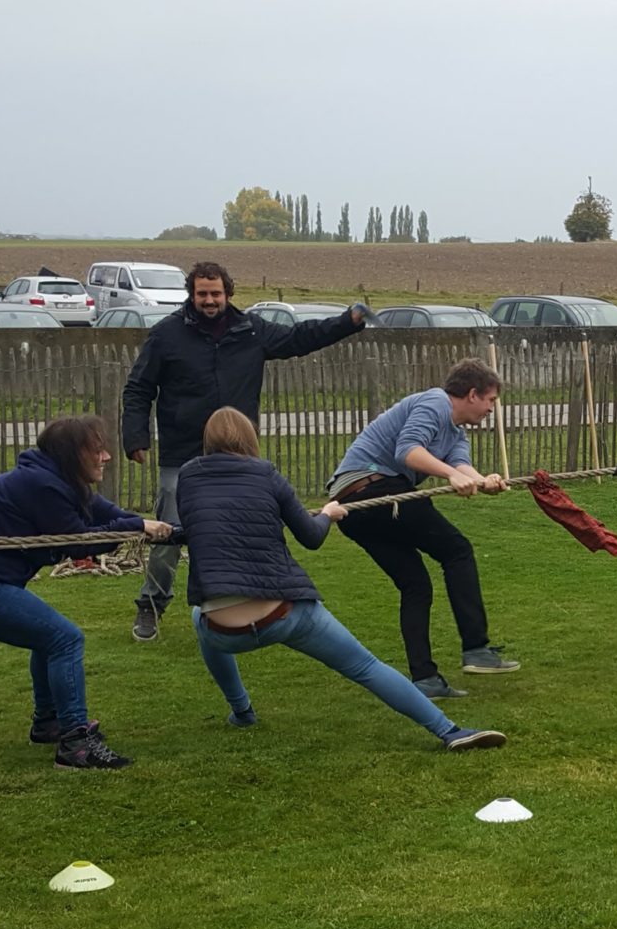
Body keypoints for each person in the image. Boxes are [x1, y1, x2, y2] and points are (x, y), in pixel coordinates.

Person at [185, 408, 506, 750]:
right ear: (251, 439)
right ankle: (450, 731)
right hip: (283, 614)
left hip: (221, 630)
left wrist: (162, 530)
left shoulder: (188, 477)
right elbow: (311, 537)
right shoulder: (266, 474)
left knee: (198, 615)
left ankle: (242, 711)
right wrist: (328, 514)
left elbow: (197, 527)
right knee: (364, 665)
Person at [121, 261, 372, 642]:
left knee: (244, 527)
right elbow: (139, 387)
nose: (209, 300)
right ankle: (151, 605)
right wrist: (135, 435)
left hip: (239, 453)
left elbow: (299, 338)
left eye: (215, 294)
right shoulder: (167, 335)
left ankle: (246, 600)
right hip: (182, 452)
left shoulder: (250, 330)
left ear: (228, 294)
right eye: (202, 294)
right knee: (168, 531)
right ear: (192, 294)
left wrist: (347, 322)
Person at [0, 417, 171, 770]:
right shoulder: (42, 485)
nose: (107, 457)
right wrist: (136, 525)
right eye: (97, 450)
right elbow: (78, 541)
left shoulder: (58, 480)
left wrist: (150, 526)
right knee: (64, 639)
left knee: (48, 638)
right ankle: (75, 745)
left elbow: (104, 512)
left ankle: (49, 722)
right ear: (72, 454)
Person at [328, 359, 520, 699]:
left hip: (357, 511)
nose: (492, 408)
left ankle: (425, 679)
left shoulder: (456, 433)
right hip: (372, 491)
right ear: (472, 394)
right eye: (491, 400)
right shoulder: (434, 402)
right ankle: (476, 648)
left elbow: (461, 465)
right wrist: (451, 475)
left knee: (416, 585)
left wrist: (483, 481)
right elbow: (408, 450)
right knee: (457, 550)